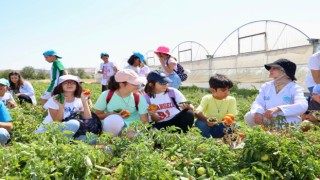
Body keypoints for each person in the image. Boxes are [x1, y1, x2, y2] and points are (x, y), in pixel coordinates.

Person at [245, 59, 308, 127]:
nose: (270, 70)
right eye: (270, 68)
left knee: (286, 129)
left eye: (274, 68)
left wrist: (278, 108)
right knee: (249, 116)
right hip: (269, 119)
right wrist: (258, 112)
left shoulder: (295, 88)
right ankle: (262, 134)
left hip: (287, 122)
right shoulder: (267, 86)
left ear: (285, 72)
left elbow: (302, 106)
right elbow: (258, 102)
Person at [35, 75, 92, 142]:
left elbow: (87, 117)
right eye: (66, 82)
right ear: (60, 86)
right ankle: (61, 143)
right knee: (74, 123)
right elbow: (56, 121)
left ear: (77, 86)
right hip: (49, 130)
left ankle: (68, 142)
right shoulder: (55, 99)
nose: (69, 84)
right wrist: (61, 106)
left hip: (69, 129)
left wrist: (84, 101)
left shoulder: (78, 100)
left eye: (73, 82)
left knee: (92, 138)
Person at [93, 69, 149, 137]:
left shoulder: (139, 97)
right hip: (113, 128)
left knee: (131, 135)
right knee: (114, 118)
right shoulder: (106, 95)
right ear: (122, 84)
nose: (138, 85)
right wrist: (112, 114)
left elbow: (145, 122)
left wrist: (133, 130)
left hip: (133, 128)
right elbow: (97, 115)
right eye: (134, 83)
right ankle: (110, 140)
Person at [194, 74, 237, 138]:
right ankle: (207, 138)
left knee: (234, 125)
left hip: (223, 127)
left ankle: (226, 138)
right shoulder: (207, 98)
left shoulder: (231, 100)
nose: (227, 93)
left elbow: (232, 116)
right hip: (209, 126)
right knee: (200, 123)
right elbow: (197, 112)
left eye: (229, 90)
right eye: (223, 90)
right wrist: (207, 120)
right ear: (212, 90)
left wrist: (225, 122)